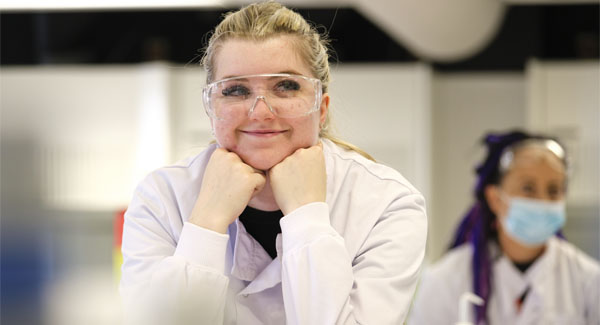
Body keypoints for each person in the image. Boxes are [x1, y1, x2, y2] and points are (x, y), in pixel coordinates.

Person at [119, 2, 427, 324]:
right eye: (236, 90)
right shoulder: (161, 199)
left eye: (286, 86)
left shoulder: (387, 205)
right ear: (211, 108)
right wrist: (206, 221)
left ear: (320, 108)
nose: (261, 112)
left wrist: (306, 218)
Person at [409, 130, 600, 325]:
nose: (543, 201)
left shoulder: (589, 282)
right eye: (528, 188)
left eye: (553, 190)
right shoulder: (445, 281)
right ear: (494, 198)